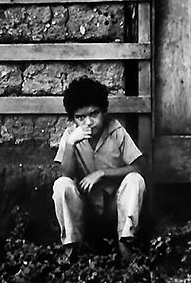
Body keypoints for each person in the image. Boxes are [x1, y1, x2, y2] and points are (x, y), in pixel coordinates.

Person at [52, 76, 146, 264]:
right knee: (61, 185)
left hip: (114, 205)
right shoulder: (71, 136)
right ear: (73, 119)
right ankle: (72, 248)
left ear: (104, 111)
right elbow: (66, 175)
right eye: (80, 117)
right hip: (85, 206)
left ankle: (125, 244)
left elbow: (139, 167)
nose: (88, 122)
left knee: (135, 179)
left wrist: (102, 173)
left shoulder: (115, 130)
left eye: (94, 114)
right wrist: (71, 145)